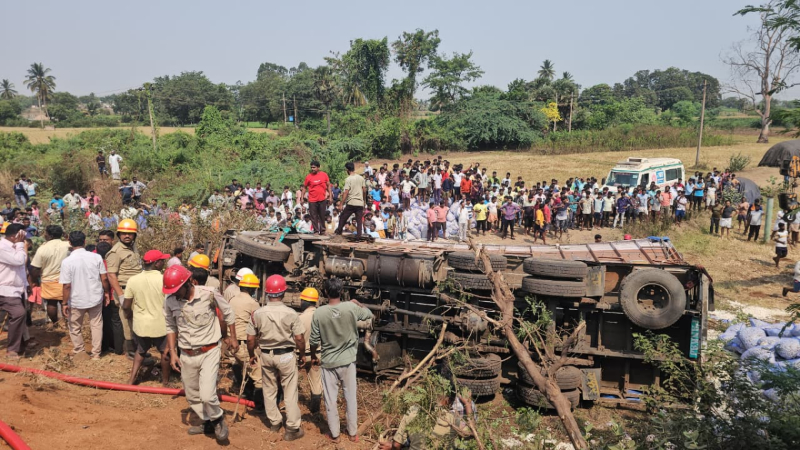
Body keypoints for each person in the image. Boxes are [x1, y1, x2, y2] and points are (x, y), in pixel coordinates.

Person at [164, 265, 237, 442]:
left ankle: (218, 420)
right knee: (192, 394)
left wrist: (232, 337)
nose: (174, 293)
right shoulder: (169, 300)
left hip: (209, 350)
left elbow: (228, 313)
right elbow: (170, 326)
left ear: (188, 283)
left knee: (207, 394)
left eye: (177, 290)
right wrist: (173, 352)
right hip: (187, 353)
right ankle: (208, 421)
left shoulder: (209, 293)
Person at [310, 276, 374, 443]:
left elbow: (314, 341)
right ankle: (352, 434)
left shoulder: (319, 313)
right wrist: (358, 304)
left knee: (330, 399)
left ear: (325, 292)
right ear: (342, 291)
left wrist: (312, 356)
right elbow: (369, 314)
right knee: (350, 397)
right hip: (348, 362)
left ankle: (335, 435)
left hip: (329, 362)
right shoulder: (350, 307)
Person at [246, 275, 305, 441]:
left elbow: (250, 339)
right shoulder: (291, 313)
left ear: (267, 293)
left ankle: (274, 422)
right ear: (284, 292)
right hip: (286, 355)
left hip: (266, 355)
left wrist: (252, 355)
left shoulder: (257, 313)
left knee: (269, 389)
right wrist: (302, 355)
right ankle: (292, 428)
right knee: (290, 390)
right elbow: (299, 339)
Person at [122, 249, 171, 385]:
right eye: (162, 260)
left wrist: (129, 315)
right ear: (156, 264)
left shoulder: (133, 280)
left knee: (140, 351)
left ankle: (131, 379)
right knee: (165, 353)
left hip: (141, 325)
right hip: (161, 324)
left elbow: (126, 305)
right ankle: (166, 382)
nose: (163, 262)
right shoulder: (164, 279)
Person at [60, 231, 111, 361]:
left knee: (75, 326)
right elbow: (104, 278)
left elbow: (66, 285)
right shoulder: (96, 257)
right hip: (95, 296)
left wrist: (64, 303)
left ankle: (79, 350)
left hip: (77, 299)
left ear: (70, 243)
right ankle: (96, 354)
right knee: (96, 324)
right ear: (84, 242)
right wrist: (106, 292)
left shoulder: (67, 261)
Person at [105, 219, 143, 358]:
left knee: (136, 319)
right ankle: (131, 350)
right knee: (127, 320)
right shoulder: (115, 251)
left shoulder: (133, 247)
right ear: (119, 234)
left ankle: (139, 348)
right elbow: (111, 275)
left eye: (130, 234)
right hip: (125, 290)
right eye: (124, 234)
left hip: (136, 290)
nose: (127, 236)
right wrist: (121, 295)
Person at [228, 273, 263, 410]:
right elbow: (258, 325)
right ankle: (259, 406)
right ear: (253, 289)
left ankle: (247, 395)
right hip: (244, 344)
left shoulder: (232, 300)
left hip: (233, 343)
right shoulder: (253, 303)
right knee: (258, 376)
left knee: (243, 368)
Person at [30, 225, 71, 329]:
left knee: (51, 304)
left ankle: (56, 323)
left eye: (46, 233)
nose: (45, 235)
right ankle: (67, 323)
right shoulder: (68, 245)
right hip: (66, 280)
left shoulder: (42, 248)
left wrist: (34, 281)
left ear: (50, 235)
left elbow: (35, 269)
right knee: (66, 303)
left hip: (49, 280)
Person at [0, 224, 29, 359]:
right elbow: (19, 261)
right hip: (6, 289)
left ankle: (20, 346)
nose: (25, 239)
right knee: (18, 314)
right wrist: (20, 245)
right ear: (14, 236)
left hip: (17, 289)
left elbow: (21, 267)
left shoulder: (15, 247)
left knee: (20, 316)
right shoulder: (2, 248)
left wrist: (25, 284)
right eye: (22, 236)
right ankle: (12, 350)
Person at [297, 287, 323, 413]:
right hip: (317, 356)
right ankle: (315, 411)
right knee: (316, 385)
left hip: (300, 355)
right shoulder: (322, 317)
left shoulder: (301, 318)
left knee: (288, 379)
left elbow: (298, 339)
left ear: (305, 302)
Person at [335, 162, 367, 238]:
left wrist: (341, 204)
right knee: (359, 220)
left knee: (343, 217)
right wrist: (364, 201)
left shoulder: (348, 179)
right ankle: (359, 236)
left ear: (347, 169)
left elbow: (346, 192)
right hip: (359, 202)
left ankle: (339, 231)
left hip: (351, 202)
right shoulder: (361, 178)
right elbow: (364, 191)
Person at [302, 161, 333, 236]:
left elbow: (328, 186)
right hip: (312, 200)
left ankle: (322, 230)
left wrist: (330, 197)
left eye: (314, 167)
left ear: (318, 167)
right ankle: (316, 231)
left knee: (322, 215)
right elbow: (304, 187)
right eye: (311, 167)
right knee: (313, 216)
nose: (312, 169)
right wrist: (301, 198)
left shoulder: (324, 175)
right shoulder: (308, 176)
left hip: (322, 199)